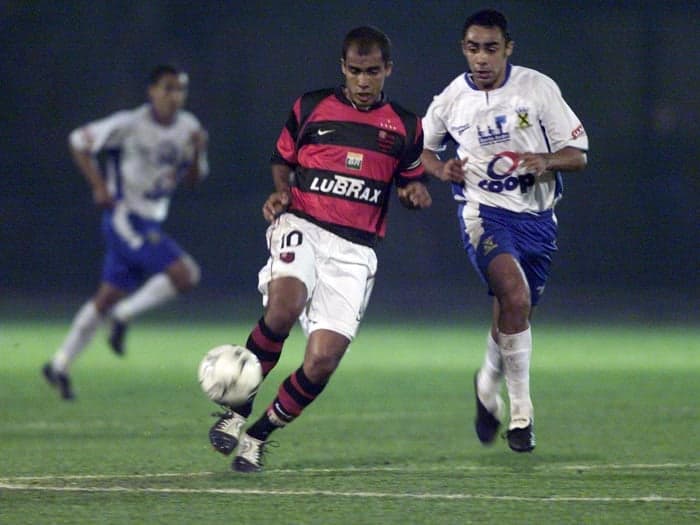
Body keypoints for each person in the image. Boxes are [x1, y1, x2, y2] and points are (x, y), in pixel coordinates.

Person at [208, 26, 431, 472]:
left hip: (355, 250)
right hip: (303, 225)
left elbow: (411, 179)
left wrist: (414, 193)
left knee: (323, 359)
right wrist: (280, 192)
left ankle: (259, 434)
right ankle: (236, 410)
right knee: (283, 306)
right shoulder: (310, 107)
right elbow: (282, 160)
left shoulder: (407, 126)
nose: (363, 81)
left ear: (387, 69)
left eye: (372, 72)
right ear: (343, 68)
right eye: (355, 71)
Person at [421, 9, 588, 452]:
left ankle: (485, 383)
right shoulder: (450, 100)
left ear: (508, 49)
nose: (482, 58)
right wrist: (442, 169)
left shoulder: (537, 88)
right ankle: (521, 416)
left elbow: (579, 153)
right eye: (473, 48)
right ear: (464, 49)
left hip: (537, 219)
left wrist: (546, 160)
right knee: (513, 296)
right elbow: (419, 151)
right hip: (483, 215)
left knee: (514, 315)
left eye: (491, 48)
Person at [42, 64, 209, 400]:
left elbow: (194, 179)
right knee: (185, 273)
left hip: (150, 219)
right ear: (151, 91)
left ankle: (59, 364)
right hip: (126, 218)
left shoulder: (190, 127)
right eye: (167, 88)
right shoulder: (129, 124)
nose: (174, 96)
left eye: (180, 89)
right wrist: (99, 185)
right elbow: (78, 141)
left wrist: (199, 151)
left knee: (106, 296)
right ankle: (123, 315)